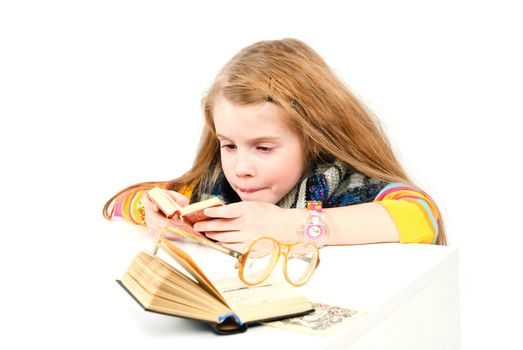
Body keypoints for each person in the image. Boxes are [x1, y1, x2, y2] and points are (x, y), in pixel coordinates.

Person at [103, 38, 446, 252]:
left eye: (263, 148)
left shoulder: (344, 185)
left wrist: (290, 226)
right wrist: (151, 211)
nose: (241, 169)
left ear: (313, 139)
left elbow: (423, 218)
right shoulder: (214, 191)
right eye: (229, 146)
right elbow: (119, 204)